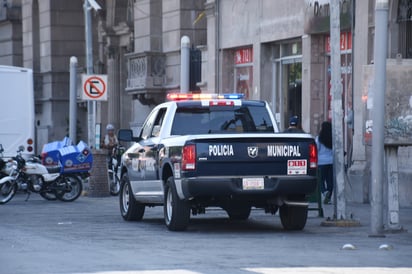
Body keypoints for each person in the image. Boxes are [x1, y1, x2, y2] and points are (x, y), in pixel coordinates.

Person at [316, 121, 333, 204]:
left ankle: (324, 192)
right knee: (330, 181)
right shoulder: (333, 139)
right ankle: (328, 197)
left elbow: (316, 150)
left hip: (321, 163)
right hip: (331, 162)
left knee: (320, 180)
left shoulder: (319, 139)